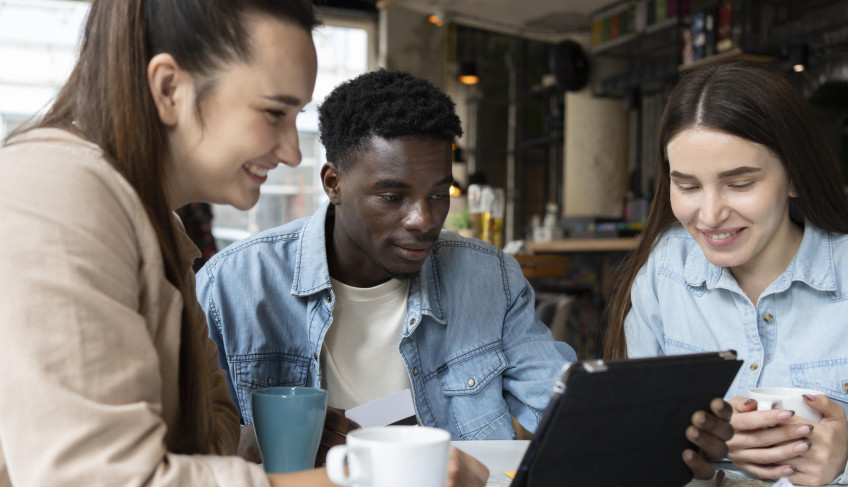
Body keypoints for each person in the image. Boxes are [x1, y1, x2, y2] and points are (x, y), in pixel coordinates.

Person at [0, 1, 488, 486]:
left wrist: (267, 441)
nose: (291, 150)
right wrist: (375, 477)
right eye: (275, 112)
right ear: (169, 88)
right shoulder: (56, 193)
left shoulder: (158, 227)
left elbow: (194, 443)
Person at [196, 68, 733, 480]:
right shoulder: (235, 287)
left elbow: (560, 407)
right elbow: (180, 446)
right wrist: (256, 445)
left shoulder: (489, 278)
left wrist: (659, 433)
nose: (424, 220)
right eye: (393, 196)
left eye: (438, 195)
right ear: (333, 182)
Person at [603, 60, 848, 486]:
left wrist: (843, 460)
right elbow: (630, 444)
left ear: (794, 177)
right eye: (689, 186)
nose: (711, 215)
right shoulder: (665, 271)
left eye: (740, 183)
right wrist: (694, 448)